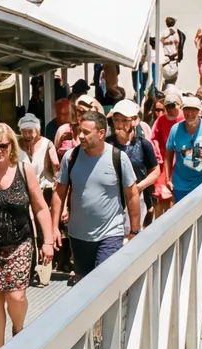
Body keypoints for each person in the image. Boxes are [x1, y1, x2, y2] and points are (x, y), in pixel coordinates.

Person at [0, 122, 55, 345]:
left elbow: (39, 207)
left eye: (3, 145)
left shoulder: (23, 170)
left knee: (16, 296)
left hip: (20, 243)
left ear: (11, 146)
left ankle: (18, 330)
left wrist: (48, 240)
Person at [54, 110, 141, 282]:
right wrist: (54, 228)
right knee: (84, 284)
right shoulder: (70, 157)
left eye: (86, 132)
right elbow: (59, 193)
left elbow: (132, 195)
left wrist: (134, 230)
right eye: (79, 131)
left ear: (101, 133)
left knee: (104, 282)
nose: (80, 136)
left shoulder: (118, 158)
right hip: (78, 236)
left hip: (110, 234)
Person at [167, 92, 202, 201]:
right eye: (187, 109)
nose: (190, 113)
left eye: (194, 110)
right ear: (182, 111)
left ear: (199, 112)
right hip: (181, 185)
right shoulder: (175, 129)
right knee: (183, 216)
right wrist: (167, 179)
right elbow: (168, 155)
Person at [110, 98, 161, 221]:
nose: (120, 125)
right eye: (116, 120)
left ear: (134, 121)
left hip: (138, 199)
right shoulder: (107, 144)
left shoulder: (143, 145)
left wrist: (139, 187)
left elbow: (155, 171)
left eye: (124, 120)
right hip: (112, 200)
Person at [151, 88, 182, 216]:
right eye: (167, 106)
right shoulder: (161, 120)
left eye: (172, 106)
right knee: (160, 196)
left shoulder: (183, 119)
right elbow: (153, 138)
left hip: (180, 164)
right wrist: (157, 154)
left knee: (173, 198)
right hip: (164, 163)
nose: (170, 109)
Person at [15, 111, 57, 199]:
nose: (27, 135)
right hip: (22, 193)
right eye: (24, 131)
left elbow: (57, 170)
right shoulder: (15, 145)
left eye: (30, 131)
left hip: (43, 193)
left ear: (38, 131)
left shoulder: (47, 144)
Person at [159, 16, 184, 85]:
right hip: (174, 56)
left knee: (163, 75)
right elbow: (179, 44)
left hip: (165, 56)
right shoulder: (179, 33)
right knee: (173, 76)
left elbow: (159, 41)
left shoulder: (163, 32)